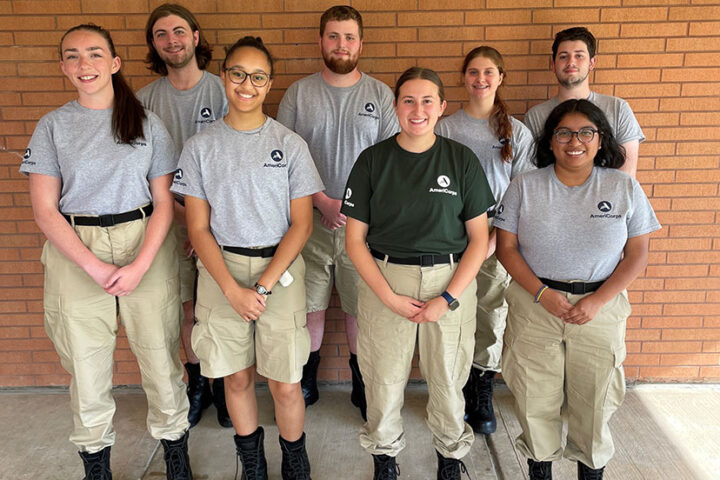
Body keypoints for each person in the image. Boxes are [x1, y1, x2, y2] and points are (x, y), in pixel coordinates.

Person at [21, 24, 192, 480]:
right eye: (73, 56)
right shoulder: (52, 126)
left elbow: (163, 204)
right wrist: (94, 266)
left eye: (95, 54)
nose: (84, 64)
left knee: (160, 355)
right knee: (86, 363)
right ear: (63, 68)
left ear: (114, 63)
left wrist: (138, 265)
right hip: (76, 249)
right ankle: (96, 461)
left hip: (144, 241)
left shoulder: (147, 123)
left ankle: (175, 448)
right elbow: (44, 210)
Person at [171, 36, 323, 480]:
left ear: (269, 83)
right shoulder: (201, 146)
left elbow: (303, 224)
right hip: (222, 270)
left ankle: (295, 459)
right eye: (238, 74)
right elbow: (197, 228)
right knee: (235, 378)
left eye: (257, 77)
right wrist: (232, 289)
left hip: (280, 270)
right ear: (224, 77)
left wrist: (260, 287)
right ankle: (252, 462)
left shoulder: (289, 144)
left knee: (285, 381)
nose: (247, 84)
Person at [494, 99, 661, 480]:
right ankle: (541, 467)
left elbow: (638, 254)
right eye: (564, 133)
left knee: (596, 396)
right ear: (550, 141)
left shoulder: (623, 186)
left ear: (600, 140)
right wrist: (541, 294)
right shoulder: (525, 185)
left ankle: (591, 469)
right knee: (534, 394)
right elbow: (506, 248)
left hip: (599, 306)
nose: (575, 141)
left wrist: (598, 300)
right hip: (536, 303)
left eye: (586, 132)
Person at [343, 67, 494, 480]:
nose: (418, 109)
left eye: (428, 100)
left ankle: (449, 459)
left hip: (449, 282)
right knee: (383, 380)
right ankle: (385, 461)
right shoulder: (374, 160)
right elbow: (354, 240)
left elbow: (479, 240)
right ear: (395, 106)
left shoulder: (460, 160)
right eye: (408, 100)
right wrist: (388, 297)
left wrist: (447, 299)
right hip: (386, 280)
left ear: (442, 107)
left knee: (448, 380)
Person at [277, 5, 399, 418]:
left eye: (349, 38)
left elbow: (391, 162)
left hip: (362, 228)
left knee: (358, 308)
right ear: (321, 41)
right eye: (333, 36)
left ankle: (361, 383)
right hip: (308, 221)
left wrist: (350, 207)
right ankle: (307, 380)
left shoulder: (380, 95)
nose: (341, 45)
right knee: (308, 306)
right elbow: (285, 160)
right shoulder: (298, 93)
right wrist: (321, 200)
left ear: (361, 44)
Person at [137, 3, 230, 429]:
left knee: (224, 303)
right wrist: (182, 219)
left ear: (195, 36)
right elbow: (139, 169)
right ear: (154, 44)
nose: (171, 40)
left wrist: (204, 224)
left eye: (179, 31)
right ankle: (197, 384)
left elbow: (237, 159)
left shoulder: (224, 89)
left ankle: (227, 385)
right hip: (167, 219)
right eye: (161, 34)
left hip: (222, 221)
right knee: (185, 307)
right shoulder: (144, 100)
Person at [436, 46, 534, 436]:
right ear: (464, 77)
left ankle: (481, 391)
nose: (481, 79)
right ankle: (452, 392)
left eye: (488, 72)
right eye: (473, 72)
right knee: (453, 311)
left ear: (500, 77)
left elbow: (523, 191)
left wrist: (494, 239)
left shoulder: (517, 131)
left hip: (498, 234)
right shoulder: (446, 127)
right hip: (450, 232)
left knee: (491, 313)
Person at [524, 26, 644, 178]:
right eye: (563, 56)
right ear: (553, 65)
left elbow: (627, 176)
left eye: (579, 56)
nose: (571, 62)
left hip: (606, 200)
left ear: (592, 63)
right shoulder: (535, 115)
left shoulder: (618, 109)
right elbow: (533, 173)